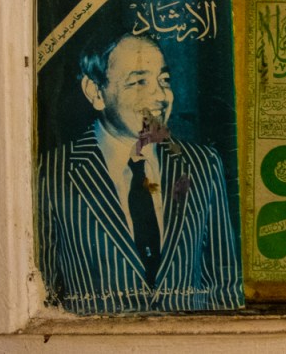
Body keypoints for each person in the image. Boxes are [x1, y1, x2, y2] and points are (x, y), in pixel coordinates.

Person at [37, 33, 242, 314]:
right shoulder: (51, 173)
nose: (160, 96)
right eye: (139, 82)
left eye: (164, 80)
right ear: (95, 92)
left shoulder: (202, 164)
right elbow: (41, 298)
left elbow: (225, 285)